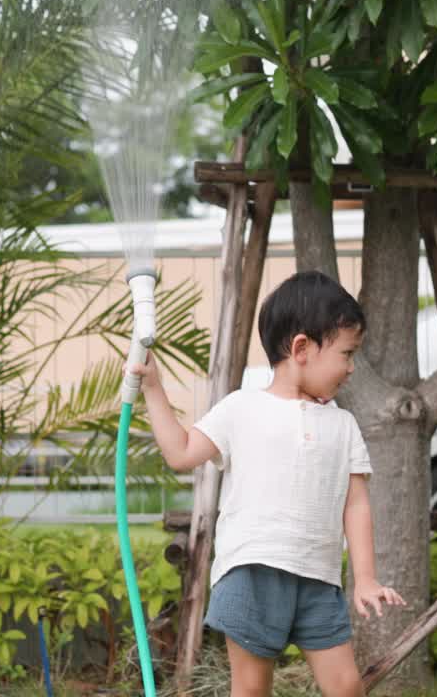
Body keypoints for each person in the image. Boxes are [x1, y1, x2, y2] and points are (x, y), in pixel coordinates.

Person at [129, 270, 404, 697]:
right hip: (251, 573)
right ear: (301, 349)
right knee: (252, 690)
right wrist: (153, 389)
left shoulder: (343, 425)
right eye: (347, 354)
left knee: (348, 687)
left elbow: (356, 505)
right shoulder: (242, 407)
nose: (351, 369)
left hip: (318, 580)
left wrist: (365, 578)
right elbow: (181, 452)